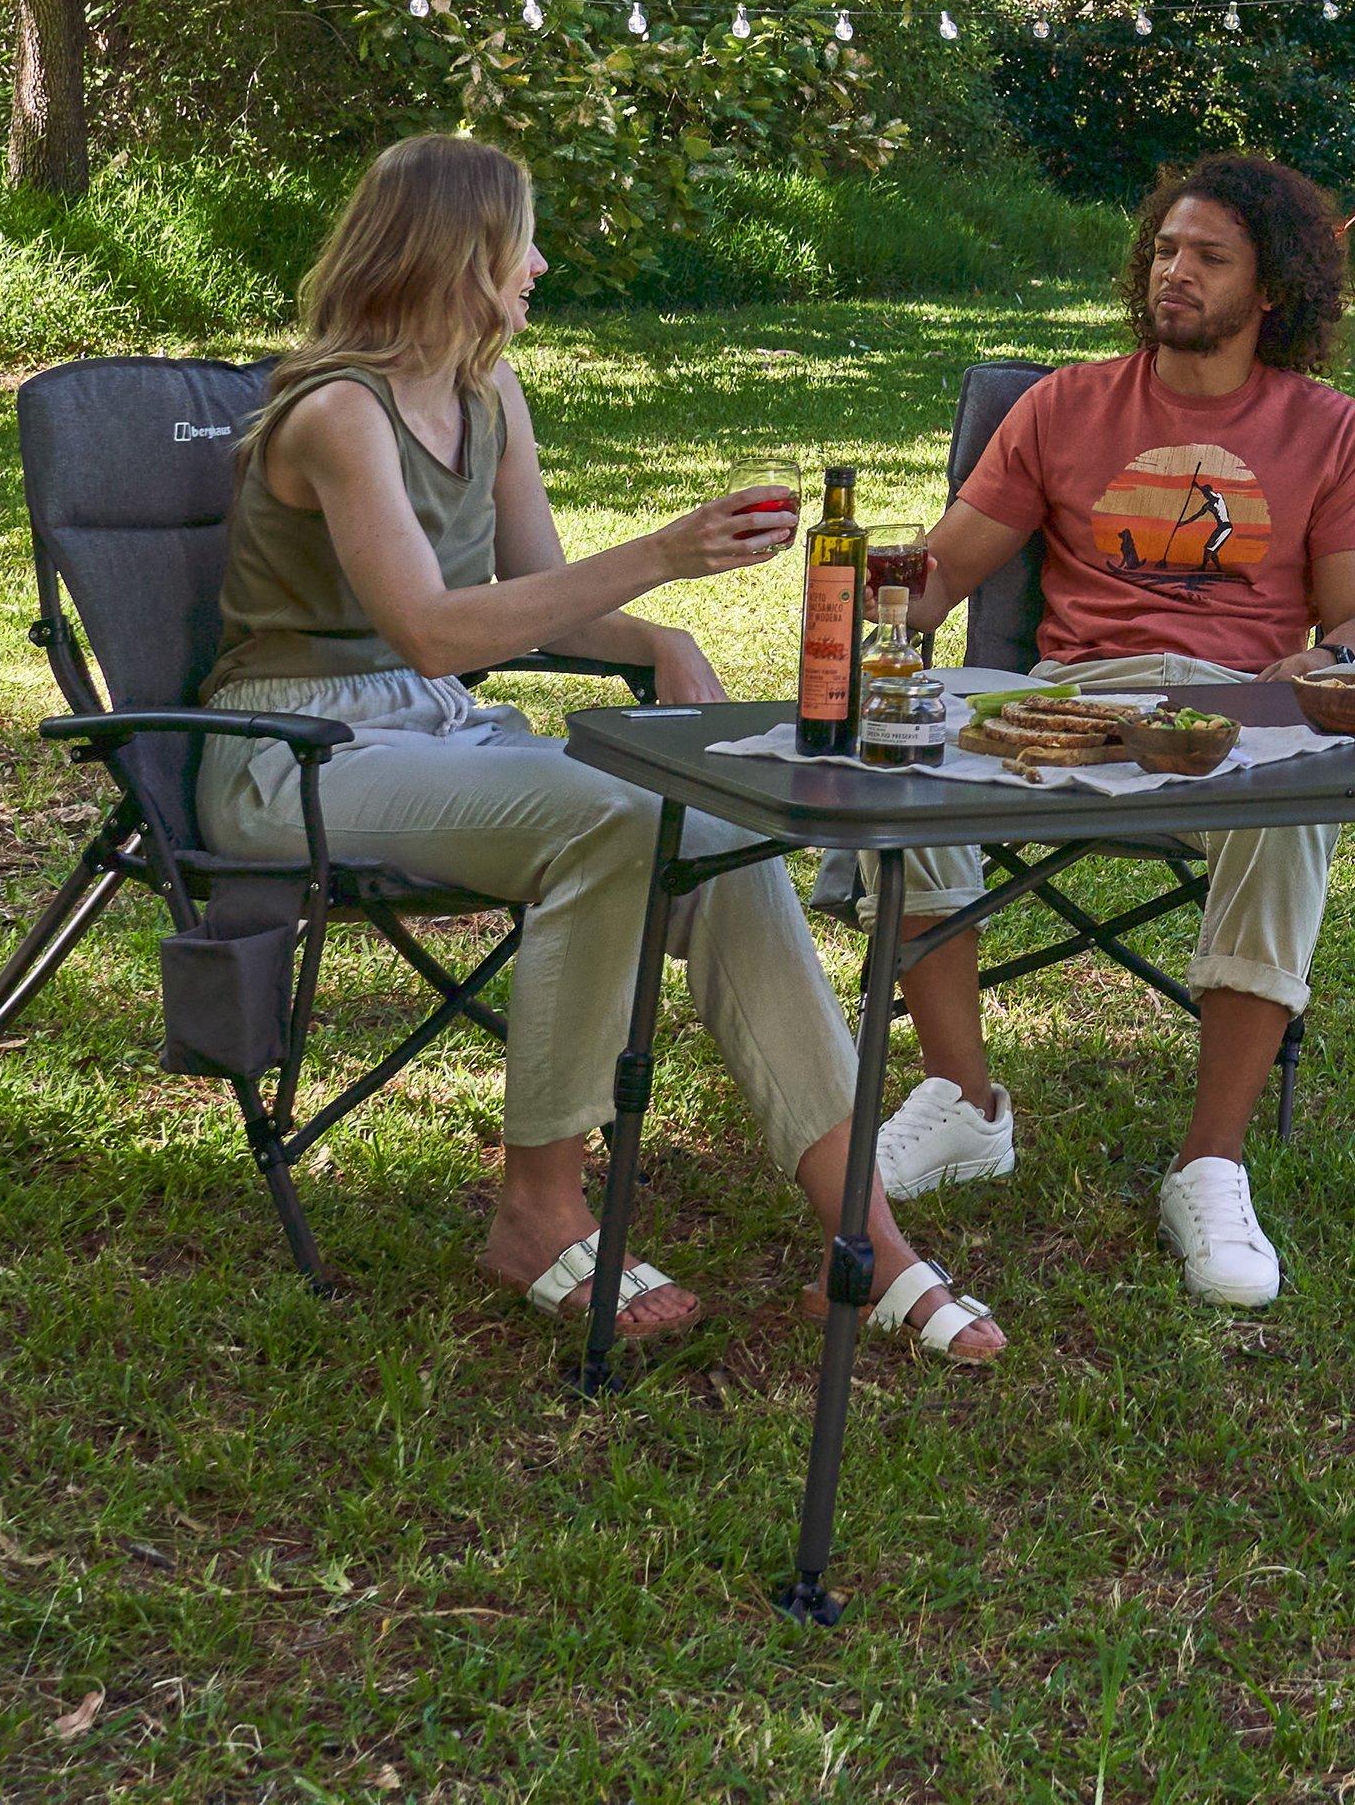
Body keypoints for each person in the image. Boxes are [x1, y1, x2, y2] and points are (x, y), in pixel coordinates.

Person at [197, 134, 1001, 1361]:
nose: (538, 265)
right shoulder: (338, 412)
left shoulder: (489, 393)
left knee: (717, 827)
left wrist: (657, 632)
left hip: (438, 730)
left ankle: (866, 1236)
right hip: (291, 748)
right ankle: (537, 1209)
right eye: (522, 241)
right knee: (619, 809)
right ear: (460, 252)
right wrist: (662, 554)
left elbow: (538, 593)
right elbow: (431, 629)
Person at [880, 154, 1355, 1308]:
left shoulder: (1326, 427)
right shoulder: (1062, 404)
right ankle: (963, 1100)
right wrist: (870, 592)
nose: (1175, 271)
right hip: (1077, 699)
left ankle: (1209, 1165)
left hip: (1231, 707)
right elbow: (939, 575)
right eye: (1164, 249)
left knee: (1295, 802)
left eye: (1209, 256)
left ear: (1271, 286)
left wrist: (1323, 663)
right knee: (903, 750)